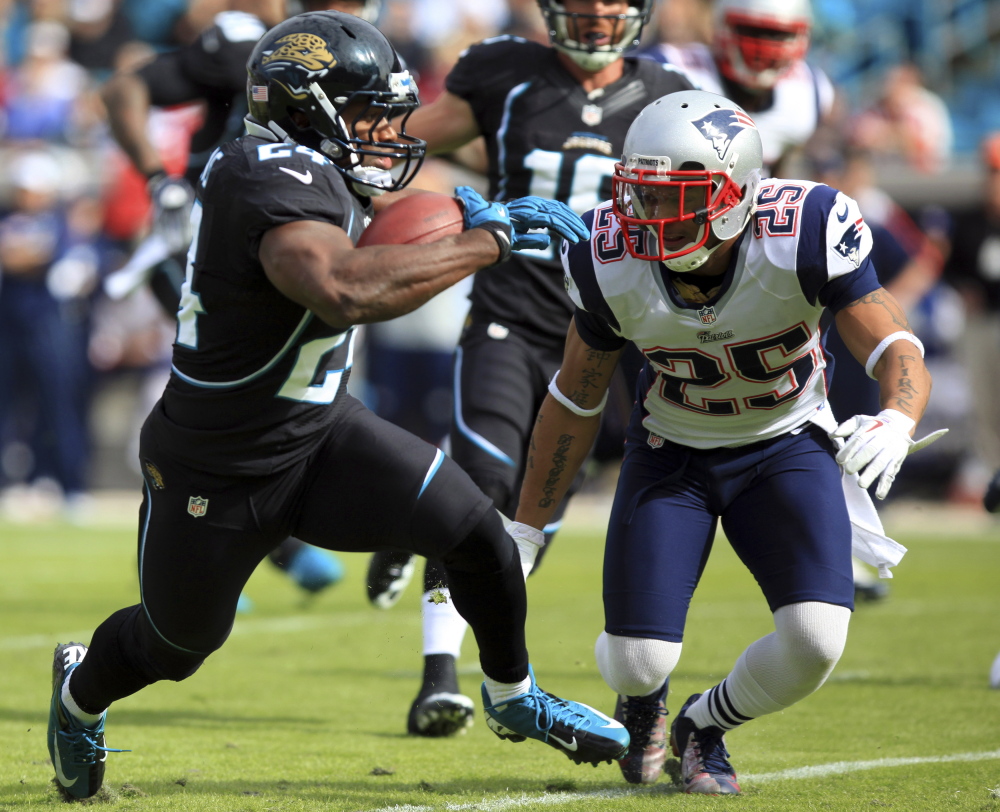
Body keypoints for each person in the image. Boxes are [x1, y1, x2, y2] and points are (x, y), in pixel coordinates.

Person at [46, 12, 630, 802]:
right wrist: (487, 242)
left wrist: (463, 220)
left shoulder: (320, 165)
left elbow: (377, 242)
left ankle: (512, 696)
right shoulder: (262, 171)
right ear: (302, 107)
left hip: (319, 436)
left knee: (477, 536)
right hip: (218, 465)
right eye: (368, 116)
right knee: (175, 646)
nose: (385, 134)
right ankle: (81, 697)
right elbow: (341, 286)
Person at [512, 90, 946, 792]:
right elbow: (575, 397)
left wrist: (898, 417)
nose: (647, 219)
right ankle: (645, 699)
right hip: (670, 456)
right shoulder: (606, 256)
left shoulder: (801, 230)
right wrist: (527, 528)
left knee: (814, 642)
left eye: (673, 198)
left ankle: (703, 725)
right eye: (640, 196)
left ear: (736, 193)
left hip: (785, 446)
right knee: (635, 660)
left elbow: (894, 341)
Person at [363, 0, 695, 739]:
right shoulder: (504, 71)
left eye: (613, 10)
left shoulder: (669, 93)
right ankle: (439, 679)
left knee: (531, 519)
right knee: (483, 486)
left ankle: (411, 533)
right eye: (583, 8)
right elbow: (398, 149)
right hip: (509, 314)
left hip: (610, 331)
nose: (599, 22)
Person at [100, 0, 380, 595]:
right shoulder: (257, 47)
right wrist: (158, 178)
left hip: (297, 249)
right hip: (215, 251)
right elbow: (124, 89)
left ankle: (265, 541)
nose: (351, 11)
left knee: (296, 390)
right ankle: (207, 555)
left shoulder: (368, 63)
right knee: (226, 400)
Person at [641, 0, 832, 178]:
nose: (764, 46)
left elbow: (778, 168)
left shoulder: (809, 90)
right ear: (721, 26)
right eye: (752, 30)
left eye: (778, 34)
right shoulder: (670, 69)